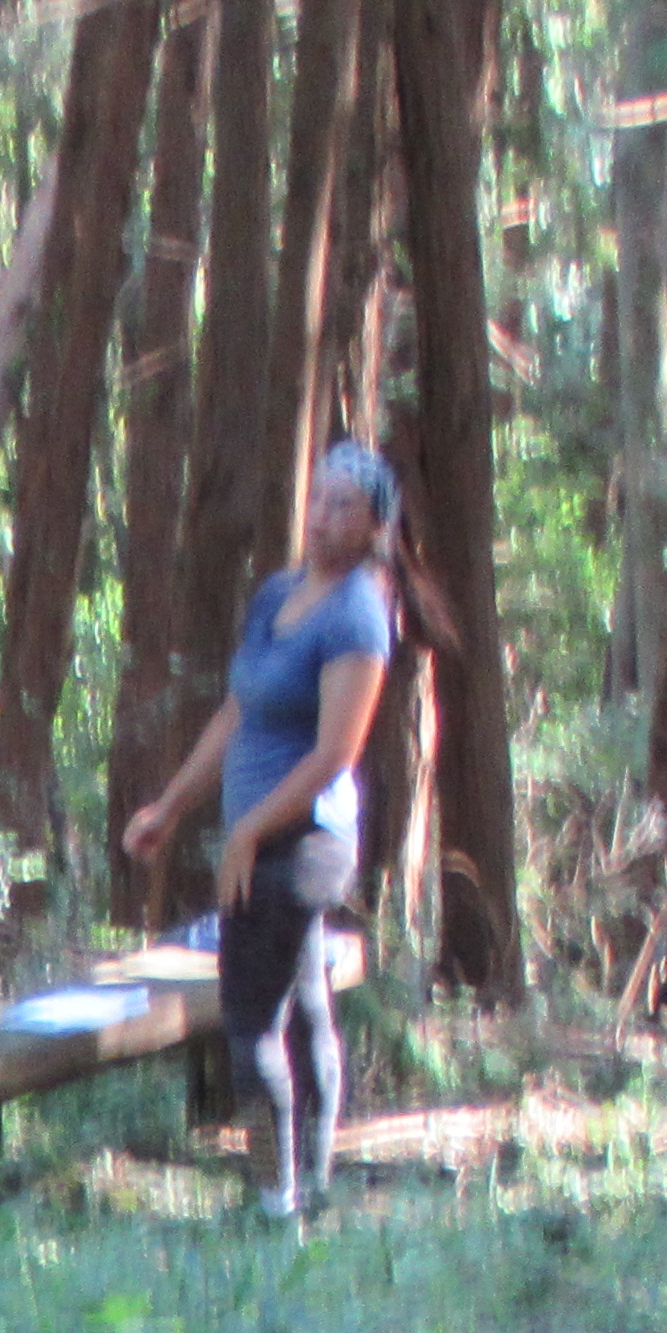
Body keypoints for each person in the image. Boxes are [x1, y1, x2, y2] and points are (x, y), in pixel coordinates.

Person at [120, 438, 401, 1227]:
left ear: (373, 525)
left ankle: (276, 1200)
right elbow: (237, 712)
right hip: (257, 832)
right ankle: (309, 1184)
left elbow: (335, 752)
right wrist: (171, 806)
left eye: (344, 506)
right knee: (306, 994)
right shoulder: (276, 595)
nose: (323, 517)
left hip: (304, 843)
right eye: (318, 499)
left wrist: (248, 831)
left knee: (250, 1019)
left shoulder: (359, 615)